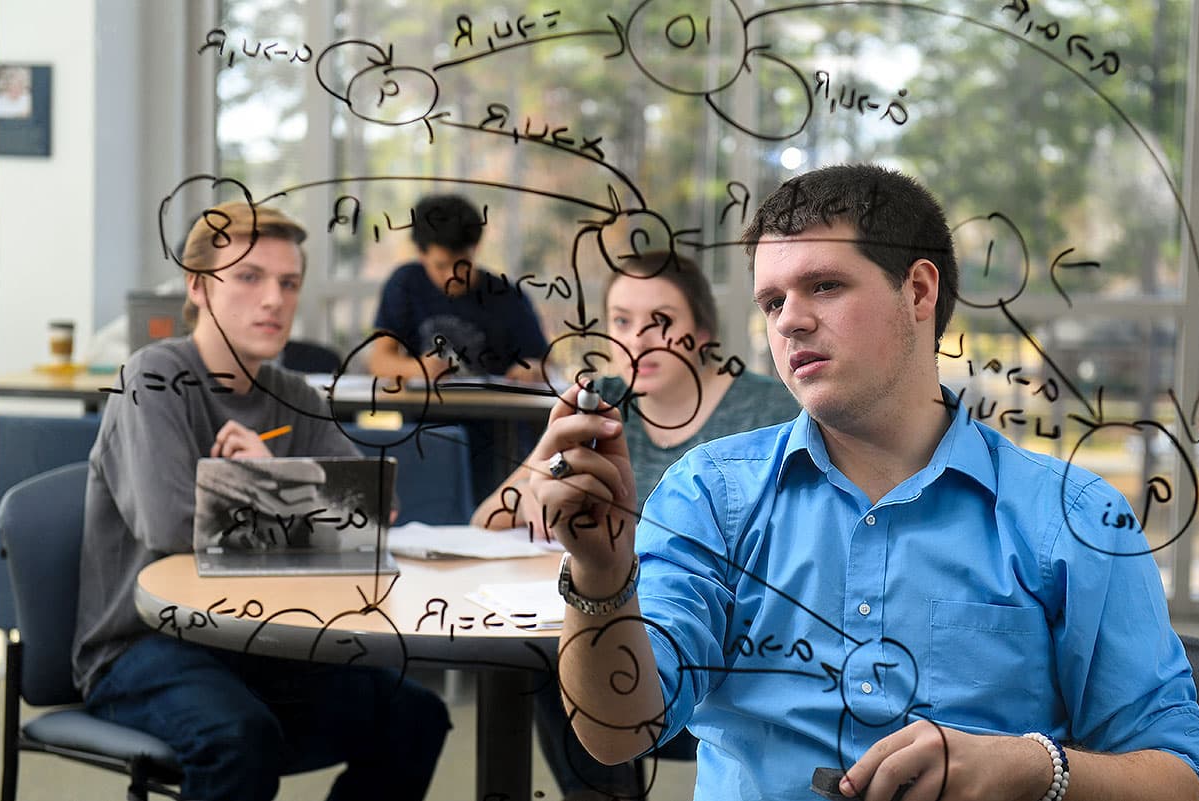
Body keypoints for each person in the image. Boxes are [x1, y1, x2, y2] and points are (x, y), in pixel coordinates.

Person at [526, 165, 1199, 801]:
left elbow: (1181, 778)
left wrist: (1033, 766)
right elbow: (618, 730)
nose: (789, 319)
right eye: (771, 301)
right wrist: (600, 571)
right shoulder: (710, 495)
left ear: (918, 290)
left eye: (823, 285)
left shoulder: (1072, 516)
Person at [71, 202, 450, 801]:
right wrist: (299, 497)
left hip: (261, 643)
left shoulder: (294, 392)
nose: (274, 299)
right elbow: (173, 525)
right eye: (249, 277)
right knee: (238, 737)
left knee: (415, 717)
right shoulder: (153, 378)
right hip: (144, 647)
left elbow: (376, 514)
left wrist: (272, 477)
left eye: (288, 282)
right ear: (197, 286)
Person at [471, 251, 801, 801]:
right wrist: (536, 482)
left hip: (717, 651)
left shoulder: (766, 411)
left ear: (703, 330)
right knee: (564, 665)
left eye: (661, 322)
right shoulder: (600, 403)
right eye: (621, 321)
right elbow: (489, 517)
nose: (636, 341)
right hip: (611, 626)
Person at [367, 193, 547, 381]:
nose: (453, 276)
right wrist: (416, 368)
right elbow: (379, 361)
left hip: (492, 408)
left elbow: (542, 364)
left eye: (462, 264)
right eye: (441, 266)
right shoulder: (405, 283)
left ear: (476, 248)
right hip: (424, 408)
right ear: (421, 254)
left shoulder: (509, 297)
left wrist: (533, 370)